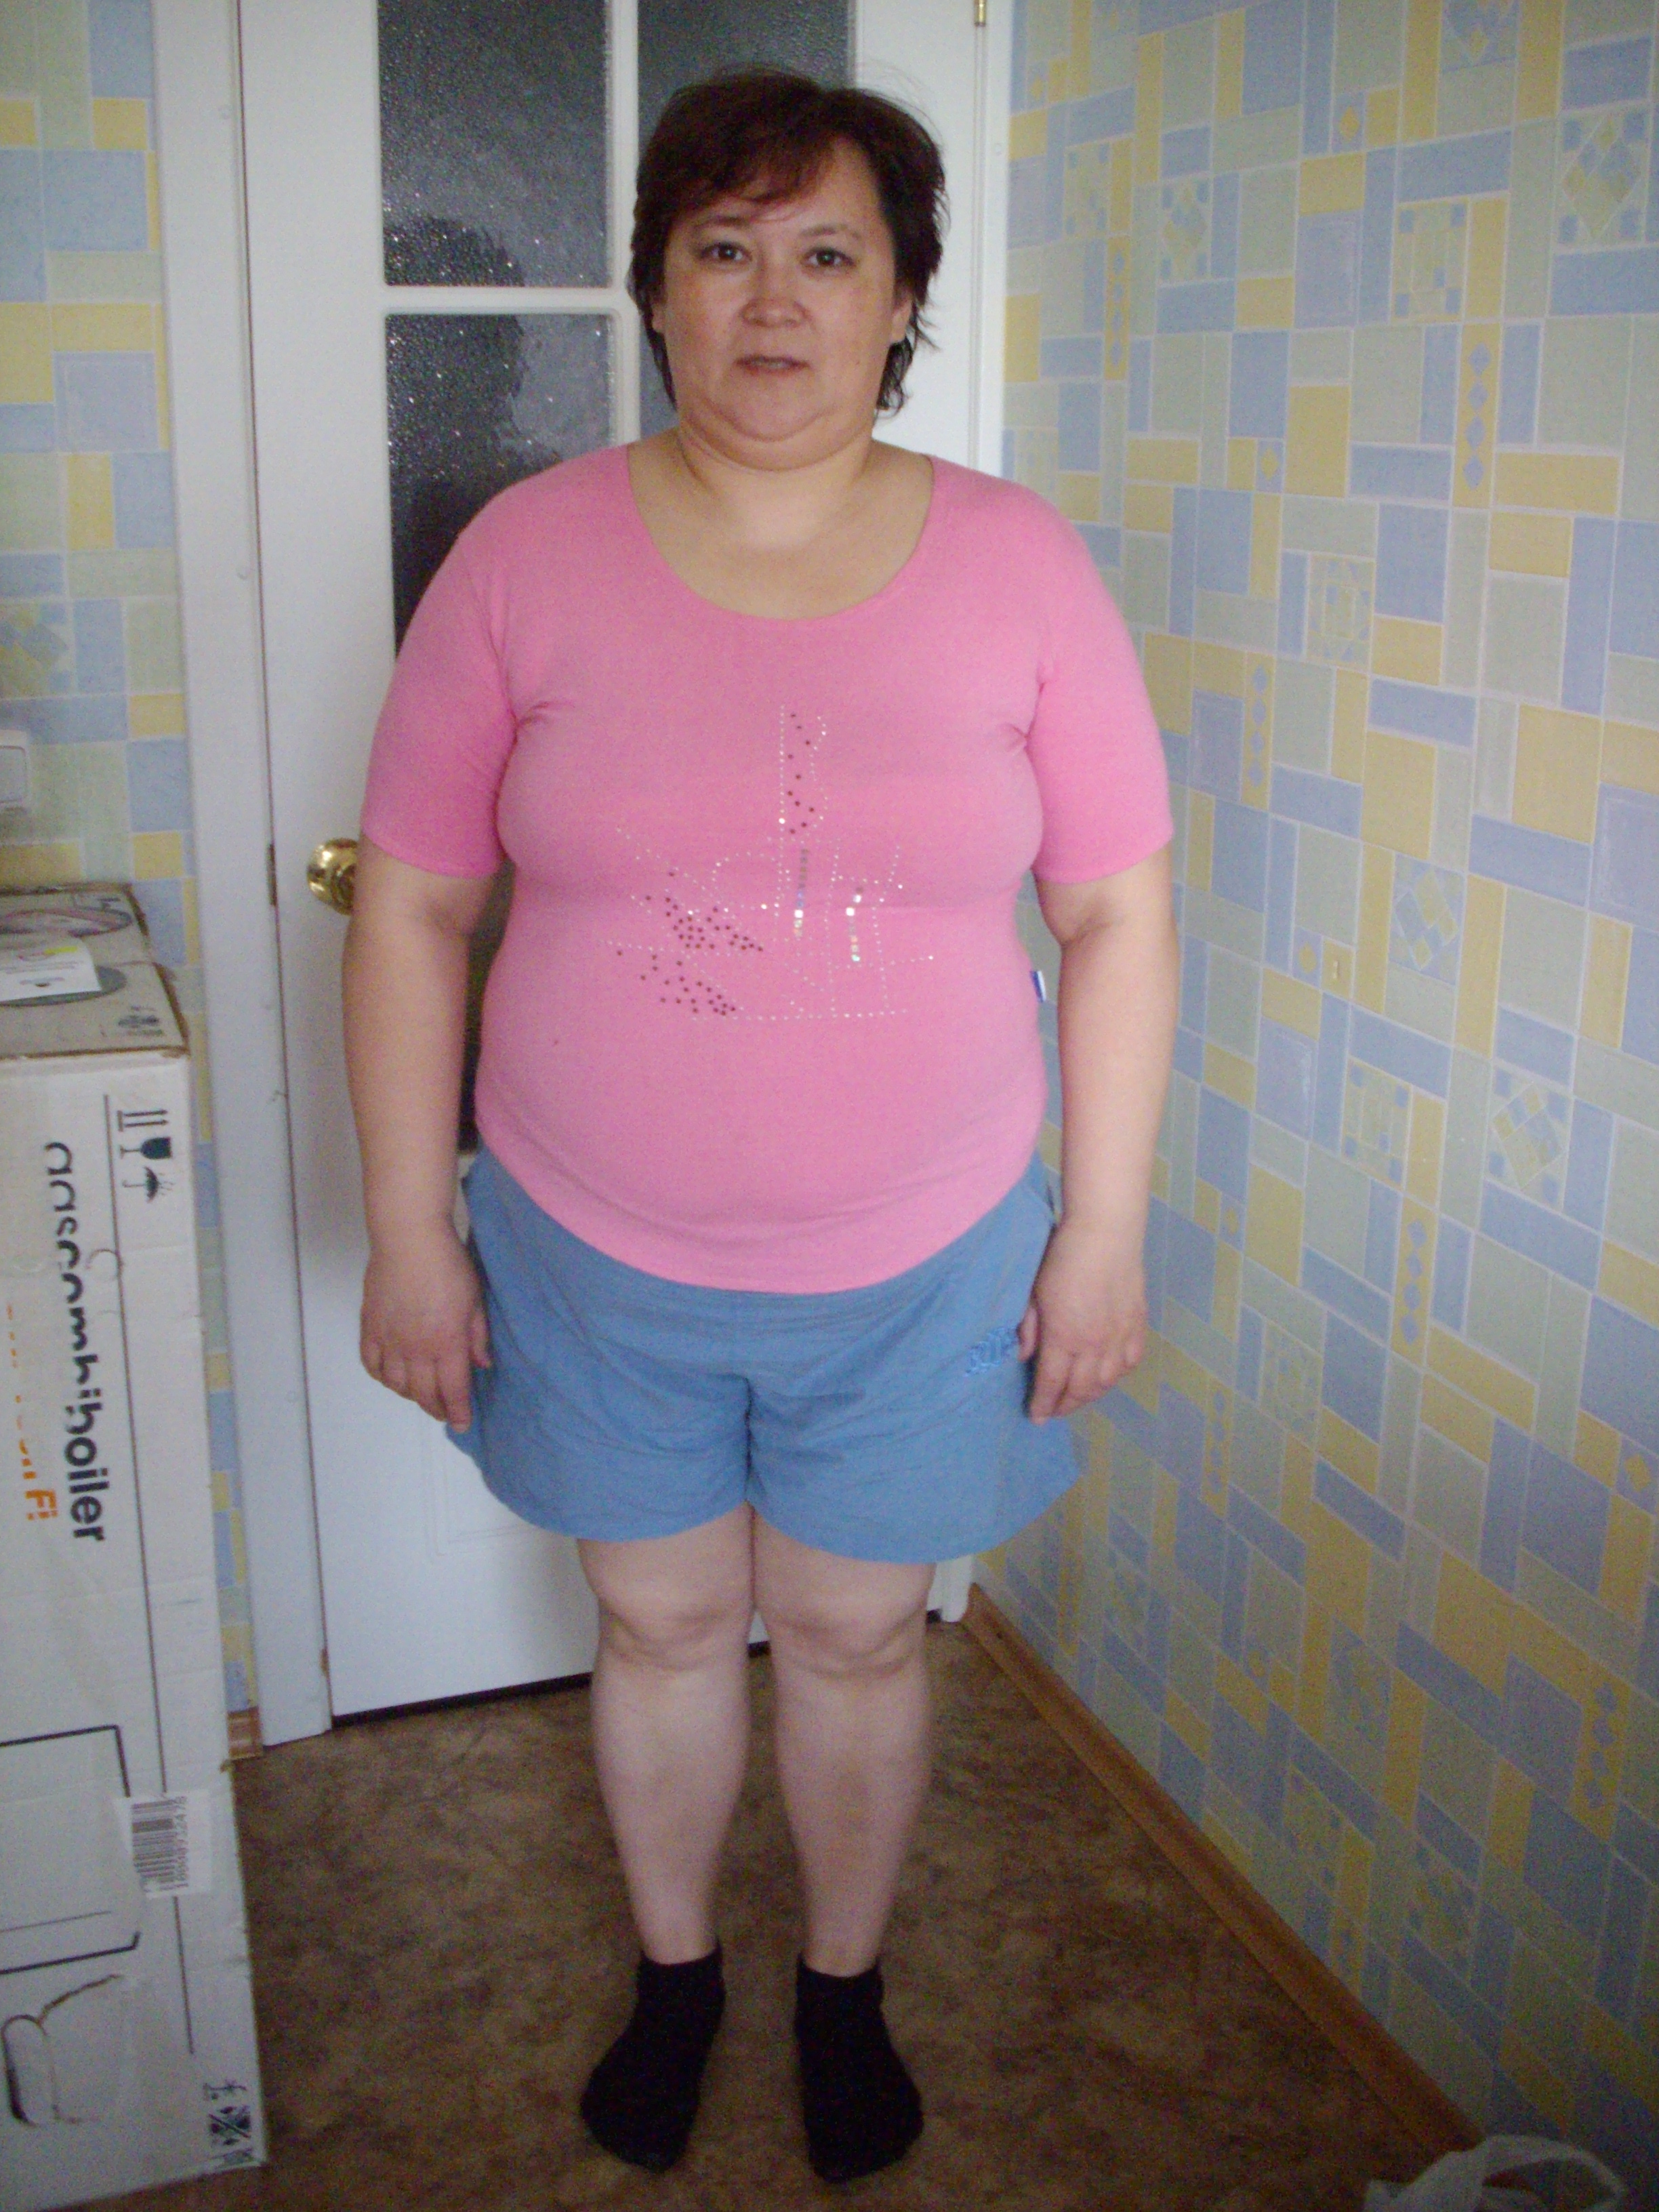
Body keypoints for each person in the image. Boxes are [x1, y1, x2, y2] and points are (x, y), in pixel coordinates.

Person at [344, 70, 1176, 2187]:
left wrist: (1101, 1232)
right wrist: (413, 1230)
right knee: (656, 1624)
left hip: (927, 1258)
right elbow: (415, 907)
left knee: (859, 1630)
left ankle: (842, 1988)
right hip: (587, 1246)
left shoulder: (1019, 566)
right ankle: (677, 1975)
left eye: (828, 254)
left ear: (902, 300)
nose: (775, 302)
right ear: (655, 289)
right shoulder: (524, 558)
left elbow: (1116, 915)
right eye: (723, 250)